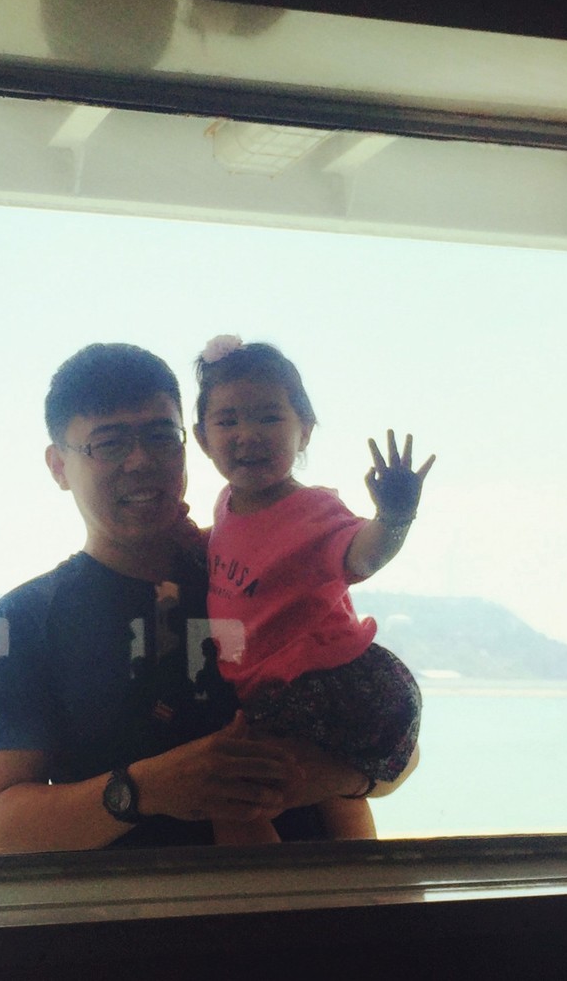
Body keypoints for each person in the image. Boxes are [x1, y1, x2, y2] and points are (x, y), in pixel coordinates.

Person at [0, 343, 404, 854]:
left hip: (326, 897)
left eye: (160, 436)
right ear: (58, 465)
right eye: (109, 444)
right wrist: (147, 789)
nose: (141, 461)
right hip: (136, 906)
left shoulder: (254, 576)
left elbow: (398, 749)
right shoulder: (24, 621)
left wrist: (320, 777)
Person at [192, 335, 432, 845]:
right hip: (277, 684)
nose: (247, 435)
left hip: (325, 680)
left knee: (240, 791)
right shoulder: (226, 504)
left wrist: (394, 516)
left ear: (305, 430)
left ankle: (290, 892)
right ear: (203, 437)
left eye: (268, 418)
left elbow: (362, 555)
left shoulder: (312, 511)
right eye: (228, 421)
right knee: (294, 787)